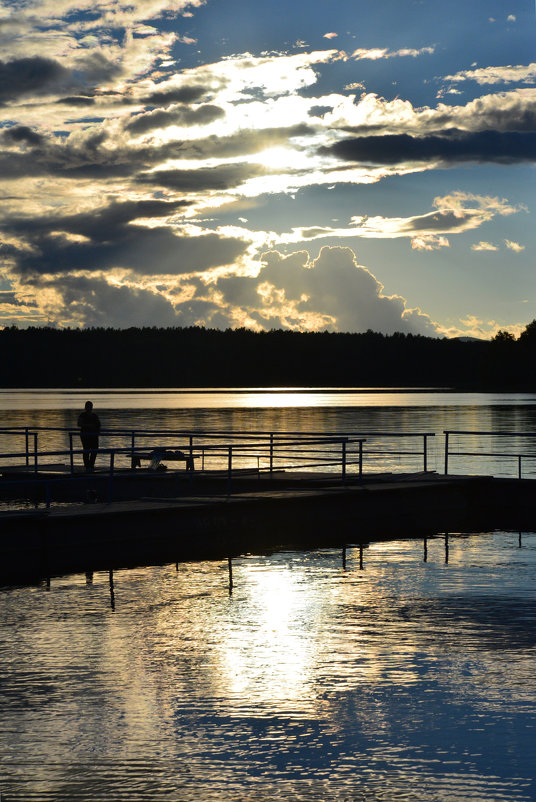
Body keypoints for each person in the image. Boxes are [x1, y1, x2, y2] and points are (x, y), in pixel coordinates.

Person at [78, 400, 101, 471]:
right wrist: (89, 426)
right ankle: (87, 466)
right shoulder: (82, 415)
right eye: (88, 406)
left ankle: (91, 465)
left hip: (94, 436)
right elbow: (79, 424)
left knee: (95, 450)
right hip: (85, 436)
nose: (89, 408)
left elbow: (99, 424)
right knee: (86, 450)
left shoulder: (95, 416)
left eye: (90, 406)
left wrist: (97, 429)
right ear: (85, 407)